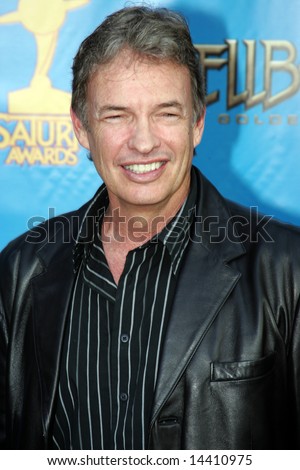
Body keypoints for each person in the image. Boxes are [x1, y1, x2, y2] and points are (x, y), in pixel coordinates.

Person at [1, 6, 300, 451]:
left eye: (166, 113)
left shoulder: (286, 269)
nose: (143, 142)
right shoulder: (22, 268)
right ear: (82, 129)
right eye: (117, 115)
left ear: (197, 124)